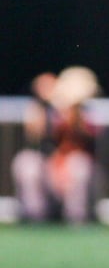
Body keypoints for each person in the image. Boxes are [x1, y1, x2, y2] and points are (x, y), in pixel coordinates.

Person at [11, 67, 101, 225]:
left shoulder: (89, 114)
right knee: (26, 162)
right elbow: (34, 132)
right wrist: (44, 103)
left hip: (74, 174)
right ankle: (34, 217)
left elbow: (83, 139)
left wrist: (74, 112)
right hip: (49, 172)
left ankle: (76, 219)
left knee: (79, 165)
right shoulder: (46, 110)